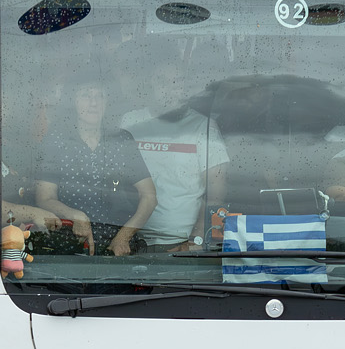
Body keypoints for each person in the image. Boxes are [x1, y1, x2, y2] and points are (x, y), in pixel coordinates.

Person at [36, 78, 156, 256]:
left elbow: (149, 196)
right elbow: (44, 198)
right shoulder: (56, 140)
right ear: (73, 101)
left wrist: (123, 238)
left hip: (116, 250)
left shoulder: (121, 140)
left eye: (100, 95)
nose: (94, 102)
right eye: (86, 95)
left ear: (107, 102)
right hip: (69, 249)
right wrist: (75, 215)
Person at [120, 58, 229, 251]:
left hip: (179, 244)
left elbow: (216, 194)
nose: (169, 89)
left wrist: (197, 239)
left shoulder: (203, 127)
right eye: (161, 81)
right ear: (149, 84)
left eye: (177, 82)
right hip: (128, 239)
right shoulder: (130, 122)